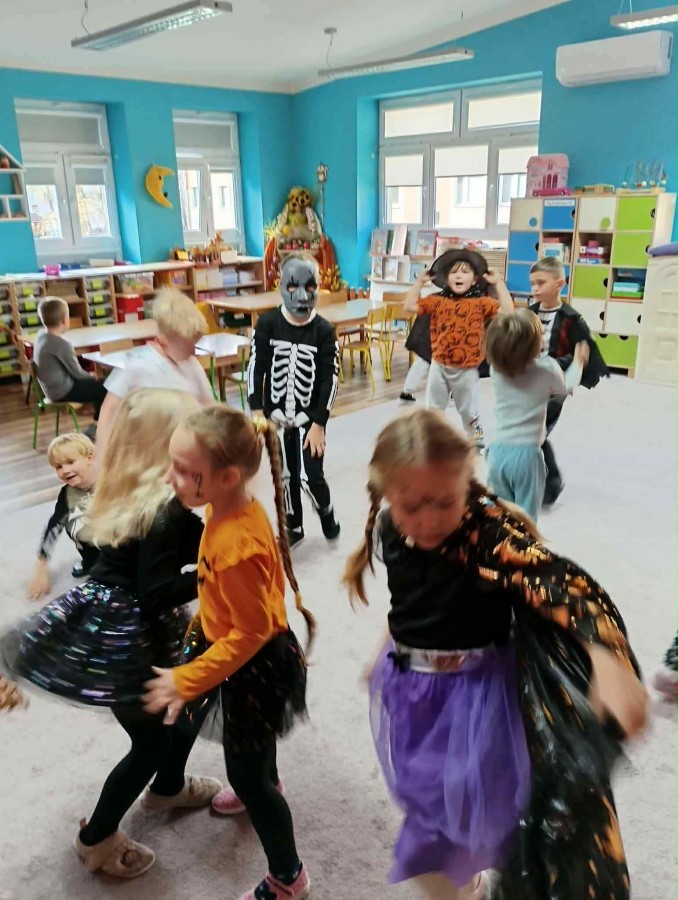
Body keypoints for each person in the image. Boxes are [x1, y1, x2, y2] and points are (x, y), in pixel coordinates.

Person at [343, 409, 647, 900]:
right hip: (412, 688)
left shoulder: (487, 534)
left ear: (466, 482)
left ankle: (471, 882)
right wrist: (387, 645)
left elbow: (568, 590)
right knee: (433, 803)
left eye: (445, 502)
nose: (428, 521)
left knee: (471, 830)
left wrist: (607, 658)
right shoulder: (389, 527)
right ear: (386, 493)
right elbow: (409, 599)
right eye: (411, 506)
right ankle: (468, 884)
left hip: (477, 699)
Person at [1, 389, 221, 879]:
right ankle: (96, 839)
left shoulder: (127, 487)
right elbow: (156, 591)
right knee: (150, 743)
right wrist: (211, 572)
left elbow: (170, 554)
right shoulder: (163, 508)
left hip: (119, 617)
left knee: (188, 701)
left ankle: (168, 786)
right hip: (127, 635)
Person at [143, 405, 314, 900]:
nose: (170, 477)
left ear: (227, 477)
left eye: (183, 470)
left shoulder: (236, 544)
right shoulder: (226, 508)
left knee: (245, 775)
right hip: (244, 653)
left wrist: (187, 678)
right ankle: (269, 778)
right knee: (256, 754)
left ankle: (288, 878)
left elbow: (252, 632)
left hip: (254, 666)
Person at [248, 253, 340, 549]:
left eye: (310, 287)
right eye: (293, 287)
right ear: (280, 286)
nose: (301, 296)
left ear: (318, 288)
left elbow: (330, 379)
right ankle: (294, 526)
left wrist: (319, 424)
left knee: (312, 476)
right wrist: (256, 410)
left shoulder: (324, 330)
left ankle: (326, 510)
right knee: (285, 477)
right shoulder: (267, 324)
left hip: (308, 419)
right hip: (275, 417)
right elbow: (255, 368)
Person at [484, 309, 589, 521]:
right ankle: (523, 541)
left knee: (497, 509)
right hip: (527, 456)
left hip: (496, 452)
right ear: (532, 346)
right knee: (526, 517)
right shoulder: (546, 369)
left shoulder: (496, 370)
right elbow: (565, 387)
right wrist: (578, 362)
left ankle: (495, 537)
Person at [403, 249, 513, 450]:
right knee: (433, 409)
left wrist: (498, 283)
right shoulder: (437, 300)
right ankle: (431, 440)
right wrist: (419, 282)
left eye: (464, 272)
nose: (459, 276)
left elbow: (508, 311)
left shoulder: (481, 302)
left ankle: (477, 439)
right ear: (446, 279)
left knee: (469, 411)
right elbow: (409, 307)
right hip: (439, 365)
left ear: (474, 279)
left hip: (467, 369)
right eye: (454, 272)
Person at [95, 287, 214, 459]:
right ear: (163, 340)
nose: (193, 352)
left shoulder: (191, 364)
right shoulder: (136, 366)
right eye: (187, 346)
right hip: (148, 455)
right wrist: (101, 457)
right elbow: (108, 413)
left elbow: (208, 404)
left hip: (186, 451)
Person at [528, 257, 609, 505]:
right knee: (531, 432)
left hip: (556, 382)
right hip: (531, 380)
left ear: (559, 284)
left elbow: (581, 352)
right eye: (532, 284)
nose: (535, 289)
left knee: (537, 433)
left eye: (541, 283)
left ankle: (551, 481)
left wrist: (569, 367)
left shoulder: (571, 318)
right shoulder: (530, 313)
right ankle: (537, 477)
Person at [28, 433, 98, 599]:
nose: (65, 470)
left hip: (120, 551)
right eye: (59, 467)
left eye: (70, 462)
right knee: (71, 520)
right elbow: (54, 527)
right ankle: (91, 563)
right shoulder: (67, 494)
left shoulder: (112, 482)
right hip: (91, 550)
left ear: (89, 458)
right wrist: (41, 569)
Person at [33, 297, 107, 420]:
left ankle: (99, 420)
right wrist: (92, 376)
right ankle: (100, 422)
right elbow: (78, 374)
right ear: (64, 320)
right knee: (106, 386)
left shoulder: (40, 336)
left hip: (51, 390)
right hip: (63, 391)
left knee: (97, 384)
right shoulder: (62, 345)